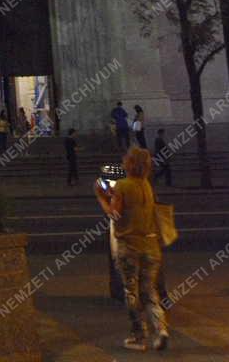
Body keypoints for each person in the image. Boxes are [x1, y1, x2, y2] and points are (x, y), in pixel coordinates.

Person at [94, 146, 168, 352]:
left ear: (130, 163)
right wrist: (114, 194)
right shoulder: (146, 185)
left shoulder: (124, 185)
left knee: (131, 292)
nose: (123, 160)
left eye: (126, 158)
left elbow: (115, 215)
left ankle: (138, 335)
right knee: (150, 291)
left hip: (130, 247)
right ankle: (161, 329)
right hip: (151, 247)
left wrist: (102, 197)